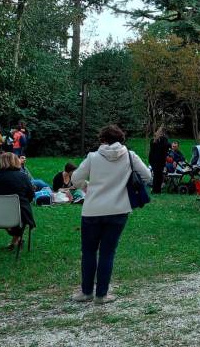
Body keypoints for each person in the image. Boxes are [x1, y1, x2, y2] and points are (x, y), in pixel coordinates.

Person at [71, 125, 152, 304]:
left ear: (102, 140)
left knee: (89, 252)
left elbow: (75, 179)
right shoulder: (130, 156)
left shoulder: (93, 157)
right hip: (119, 210)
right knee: (108, 253)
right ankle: (101, 295)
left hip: (92, 210)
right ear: (121, 139)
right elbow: (147, 177)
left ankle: (86, 292)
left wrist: (87, 186)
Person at [0, 152, 35, 250]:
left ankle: (15, 239)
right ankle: (17, 237)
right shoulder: (23, 177)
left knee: (14, 211)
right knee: (22, 209)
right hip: (17, 215)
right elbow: (31, 196)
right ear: (15, 161)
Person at [148, 126, 170, 194]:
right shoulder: (164, 139)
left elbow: (152, 150)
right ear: (164, 132)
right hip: (160, 160)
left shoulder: (153, 140)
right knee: (159, 175)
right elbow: (167, 147)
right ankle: (157, 190)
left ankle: (155, 189)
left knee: (156, 175)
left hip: (153, 159)